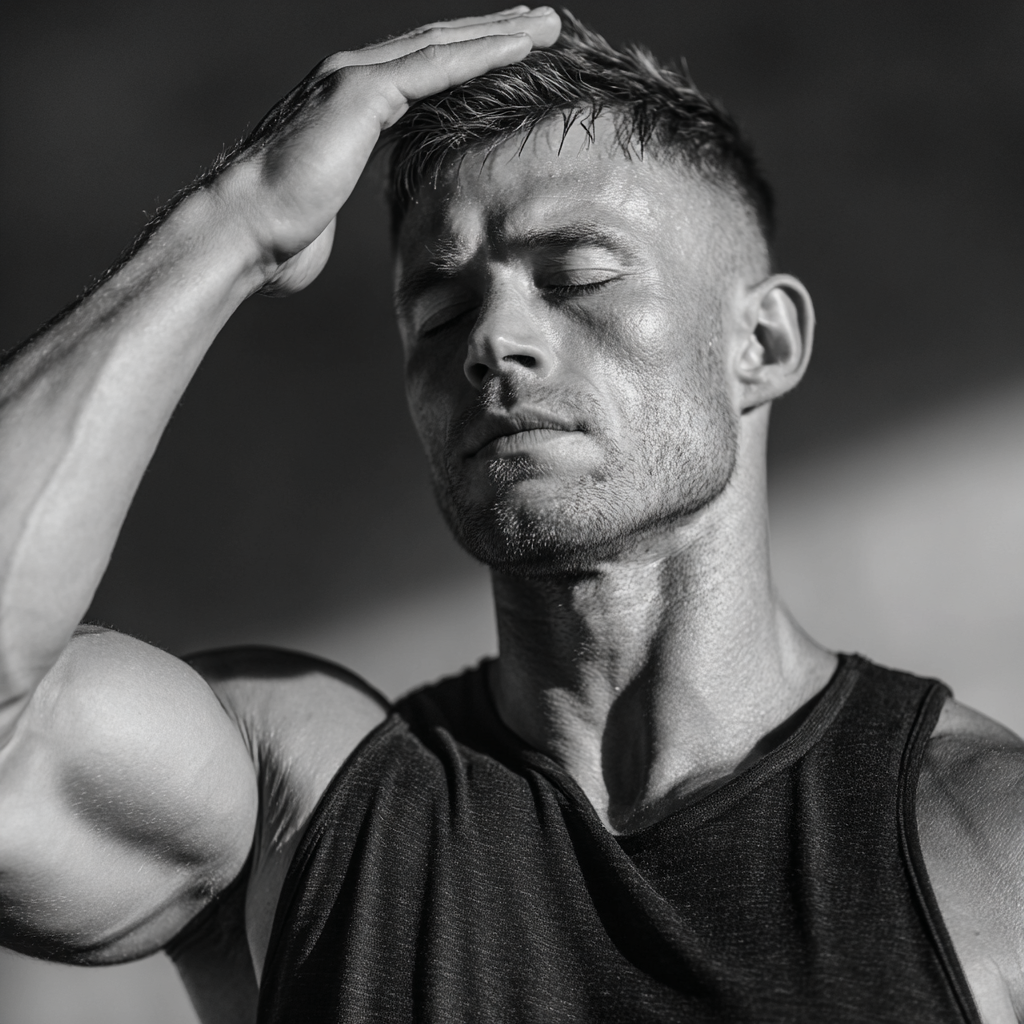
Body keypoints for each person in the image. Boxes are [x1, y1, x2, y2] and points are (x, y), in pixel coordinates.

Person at [0, 7, 1019, 1022]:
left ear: (761, 342)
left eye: (575, 275)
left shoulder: (988, 834)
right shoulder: (304, 796)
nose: (492, 340)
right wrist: (233, 225)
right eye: (438, 315)